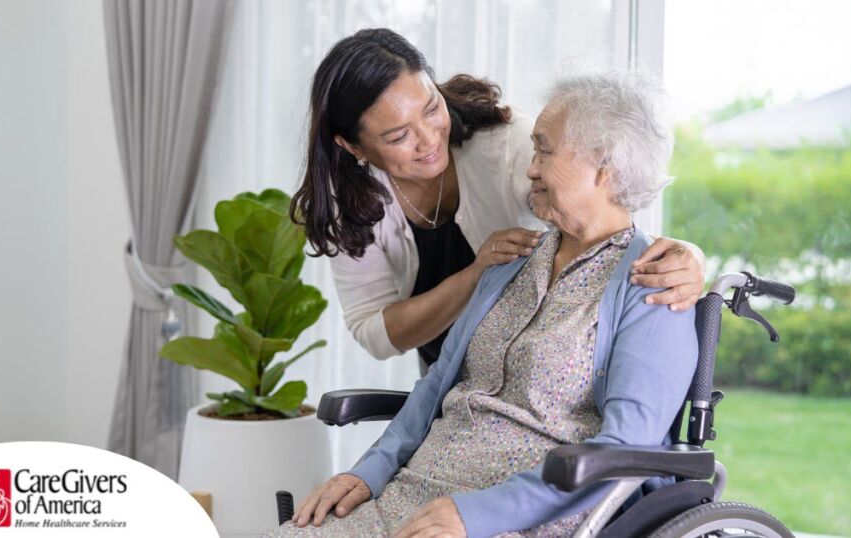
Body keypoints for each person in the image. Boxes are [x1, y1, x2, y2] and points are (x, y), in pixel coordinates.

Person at [263, 67, 698, 537]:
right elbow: (434, 388)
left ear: (605, 165)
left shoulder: (654, 284)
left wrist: (478, 515)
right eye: (533, 149)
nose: (530, 166)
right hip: (417, 493)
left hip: (528, 515)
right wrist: (367, 473)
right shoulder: (512, 260)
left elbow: (625, 446)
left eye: (545, 151)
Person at [289, 28, 706, 372]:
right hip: (454, 385)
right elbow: (376, 333)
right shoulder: (347, 201)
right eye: (399, 136)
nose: (430, 138)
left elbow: (610, 211)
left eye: (432, 107)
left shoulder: (509, 147)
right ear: (353, 147)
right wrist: (476, 275)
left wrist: (687, 257)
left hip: (533, 373)